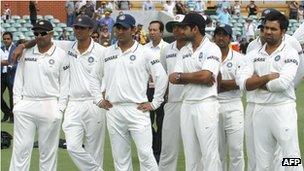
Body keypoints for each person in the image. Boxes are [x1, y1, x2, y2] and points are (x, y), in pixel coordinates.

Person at [12, 15, 107, 171]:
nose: (78, 30)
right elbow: (42, 39)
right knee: (72, 146)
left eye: (82, 28)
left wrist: (104, 93)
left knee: (94, 148)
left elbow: (111, 73)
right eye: (76, 27)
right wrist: (22, 46)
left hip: (94, 103)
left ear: (91, 30)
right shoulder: (68, 46)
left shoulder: (102, 51)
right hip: (73, 103)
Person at [89, 13, 168, 171]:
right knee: (120, 157)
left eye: (124, 28)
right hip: (113, 109)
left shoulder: (145, 52)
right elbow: (93, 77)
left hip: (137, 109)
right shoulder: (107, 52)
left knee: (145, 155)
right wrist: (98, 99)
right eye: (117, 28)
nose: (120, 31)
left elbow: (162, 77)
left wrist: (155, 103)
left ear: (133, 30)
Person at [238, 12, 303, 170]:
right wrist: (267, 77)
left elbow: (282, 83)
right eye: (266, 28)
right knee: (263, 161)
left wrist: (257, 81)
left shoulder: (290, 52)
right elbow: (243, 84)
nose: (268, 32)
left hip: (282, 109)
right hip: (259, 110)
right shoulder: (253, 54)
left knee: (291, 157)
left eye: (273, 29)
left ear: (283, 31)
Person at [9, 20, 69, 171]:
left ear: (51, 34)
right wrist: (17, 105)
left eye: (42, 33)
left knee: (47, 153)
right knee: (20, 150)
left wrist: (60, 110)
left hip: (49, 105)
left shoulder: (61, 55)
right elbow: (19, 80)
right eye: (36, 33)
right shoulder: (26, 53)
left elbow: (65, 85)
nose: (39, 36)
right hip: (26, 105)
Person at [169, 12, 222, 171]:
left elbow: (206, 76)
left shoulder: (212, 48)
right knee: (190, 154)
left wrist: (183, 77)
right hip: (187, 104)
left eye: (184, 28)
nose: (181, 31)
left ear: (195, 29)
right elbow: (172, 78)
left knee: (209, 153)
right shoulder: (184, 50)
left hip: (205, 104)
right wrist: (197, 76)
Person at [213, 24, 245, 171]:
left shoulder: (240, 58)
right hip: (214, 105)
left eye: (224, 35)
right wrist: (226, 84)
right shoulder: (210, 57)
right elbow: (204, 81)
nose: (220, 37)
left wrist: (217, 84)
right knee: (217, 151)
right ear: (213, 37)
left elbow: (240, 83)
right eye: (218, 34)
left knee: (236, 150)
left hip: (233, 105)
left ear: (230, 38)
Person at [158, 14, 186, 171]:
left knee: (195, 148)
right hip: (173, 103)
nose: (176, 29)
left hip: (192, 102)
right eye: (174, 26)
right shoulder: (167, 49)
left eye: (180, 26)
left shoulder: (194, 47)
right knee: (168, 149)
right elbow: (163, 76)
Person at [145, 20, 169, 163]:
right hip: (147, 90)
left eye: (155, 30)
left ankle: (159, 152)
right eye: (150, 30)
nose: (152, 33)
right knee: (146, 122)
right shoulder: (143, 48)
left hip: (163, 90)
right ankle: (153, 148)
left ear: (161, 32)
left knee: (161, 122)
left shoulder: (167, 48)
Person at [1, 32, 16, 123]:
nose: (6, 40)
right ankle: (7, 112)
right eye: (4, 39)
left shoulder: (16, 49)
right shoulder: (0, 49)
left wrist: (11, 65)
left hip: (12, 75)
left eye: (8, 39)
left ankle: (13, 117)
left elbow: (17, 62)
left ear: (11, 39)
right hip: (2, 75)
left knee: (12, 97)